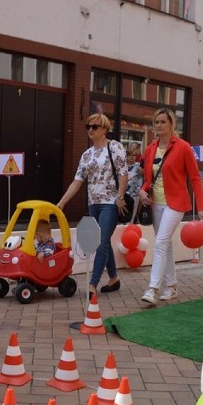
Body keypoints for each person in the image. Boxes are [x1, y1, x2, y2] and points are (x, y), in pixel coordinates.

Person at [137, 108, 203, 303]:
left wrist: (200, 207)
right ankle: (172, 286)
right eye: (156, 122)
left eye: (162, 122)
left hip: (176, 203)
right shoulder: (150, 148)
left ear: (171, 124)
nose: (158, 125)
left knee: (160, 243)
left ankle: (152, 289)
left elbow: (195, 178)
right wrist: (142, 191)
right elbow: (148, 178)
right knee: (165, 246)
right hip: (155, 202)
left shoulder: (183, 147)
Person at [57, 113, 128, 297]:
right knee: (103, 241)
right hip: (93, 203)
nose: (90, 130)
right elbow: (77, 181)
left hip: (110, 203)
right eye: (88, 126)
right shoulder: (87, 155)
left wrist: (120, 196)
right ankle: (113, 278)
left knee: (101, 242)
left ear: (104, 129)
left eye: (94, 127)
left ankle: (92, 284)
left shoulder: (115, 147)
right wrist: (62, 202)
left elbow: (123, 173)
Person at [126, 142, 144, 223]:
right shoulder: (122, 166)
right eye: (129, 155)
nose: (131, 157)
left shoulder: (138, 166)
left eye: (133, 155)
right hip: (124, 195)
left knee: (131, 217)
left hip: (134, 195)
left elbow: (142, 178)